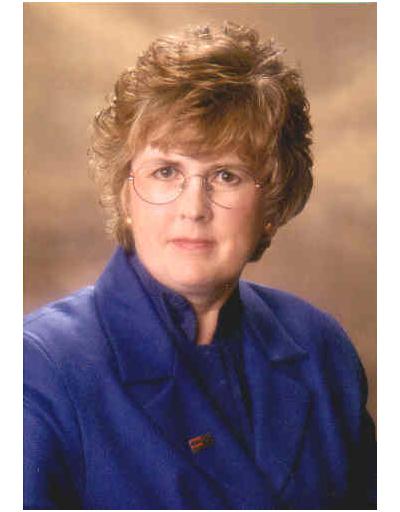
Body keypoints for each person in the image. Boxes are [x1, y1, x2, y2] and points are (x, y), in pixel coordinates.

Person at [24, 21, 376, 509]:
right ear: (126, 195)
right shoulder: (39, 368)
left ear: (271, 206)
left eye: (226, 175)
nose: (193, 208)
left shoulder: (320, 349)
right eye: (166, 171)